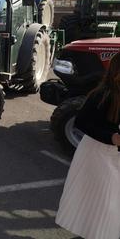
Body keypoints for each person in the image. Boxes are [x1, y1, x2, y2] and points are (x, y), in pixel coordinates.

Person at [55, 52, 120, 239]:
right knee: (104, 202)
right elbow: (81, 122)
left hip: (113, 155)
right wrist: (111, 137)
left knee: (112, 203)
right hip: (99, 154)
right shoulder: (102, 94)